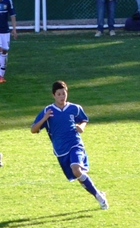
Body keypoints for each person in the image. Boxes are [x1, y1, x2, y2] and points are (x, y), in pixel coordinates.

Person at [31, 81, 108, 209]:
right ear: (53, 95)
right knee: (78, 175)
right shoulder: (48, 111)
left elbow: (84, 119)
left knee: (76, 169)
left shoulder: (74, 108)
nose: (62, 97)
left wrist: (81, 126)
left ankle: (99, 198)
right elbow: (33, 130)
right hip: (61, 150)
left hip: (75, 144)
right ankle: (97, 194)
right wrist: (44, 118)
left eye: (64, 93)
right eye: (59, 94)